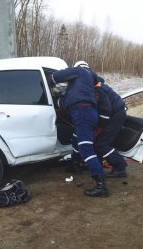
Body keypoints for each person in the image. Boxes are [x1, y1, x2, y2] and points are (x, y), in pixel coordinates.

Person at [52, 61, 108, 197]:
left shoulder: (80, 71)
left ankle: (101, 186)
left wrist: (48, 82)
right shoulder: (91, 77)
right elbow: (100, 81)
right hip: (89, 112)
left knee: (86, 149)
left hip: (82, 112)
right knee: (77, 139)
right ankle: (75, 164)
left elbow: (55, 76)